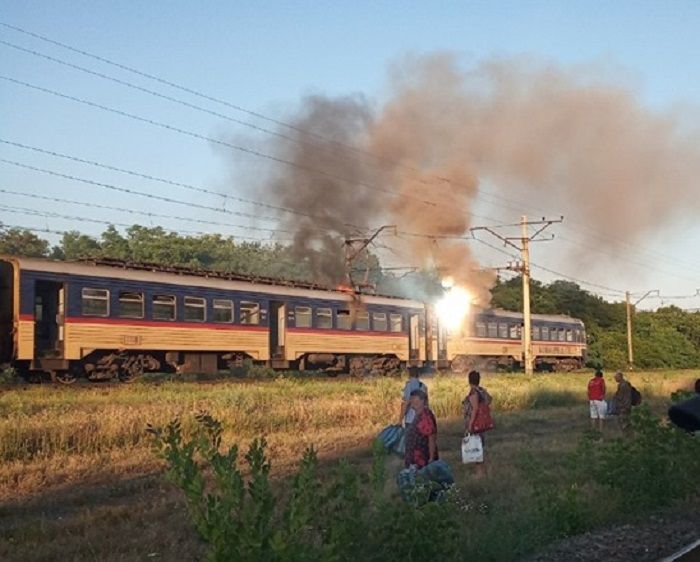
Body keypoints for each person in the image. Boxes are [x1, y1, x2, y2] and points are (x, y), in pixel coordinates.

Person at [462, 370, 491, 477]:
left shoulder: (474, 393)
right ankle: (482, 471)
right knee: (480, 447)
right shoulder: (482, 391)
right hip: (481, 425)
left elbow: (475, 409)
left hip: (475, 425)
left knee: (475, 448)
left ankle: (479, 473)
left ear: (469, 380)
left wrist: (470, 425)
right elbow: (489, 400)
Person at [403, 388, 438, 468]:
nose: (411, 401)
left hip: (423, 459)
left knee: (422, 479)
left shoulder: (425, 415)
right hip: (414, 459)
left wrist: (431, 458)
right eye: (411, 398)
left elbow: (431, 437)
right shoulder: (418, 414)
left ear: (422, 401)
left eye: (414, 398)